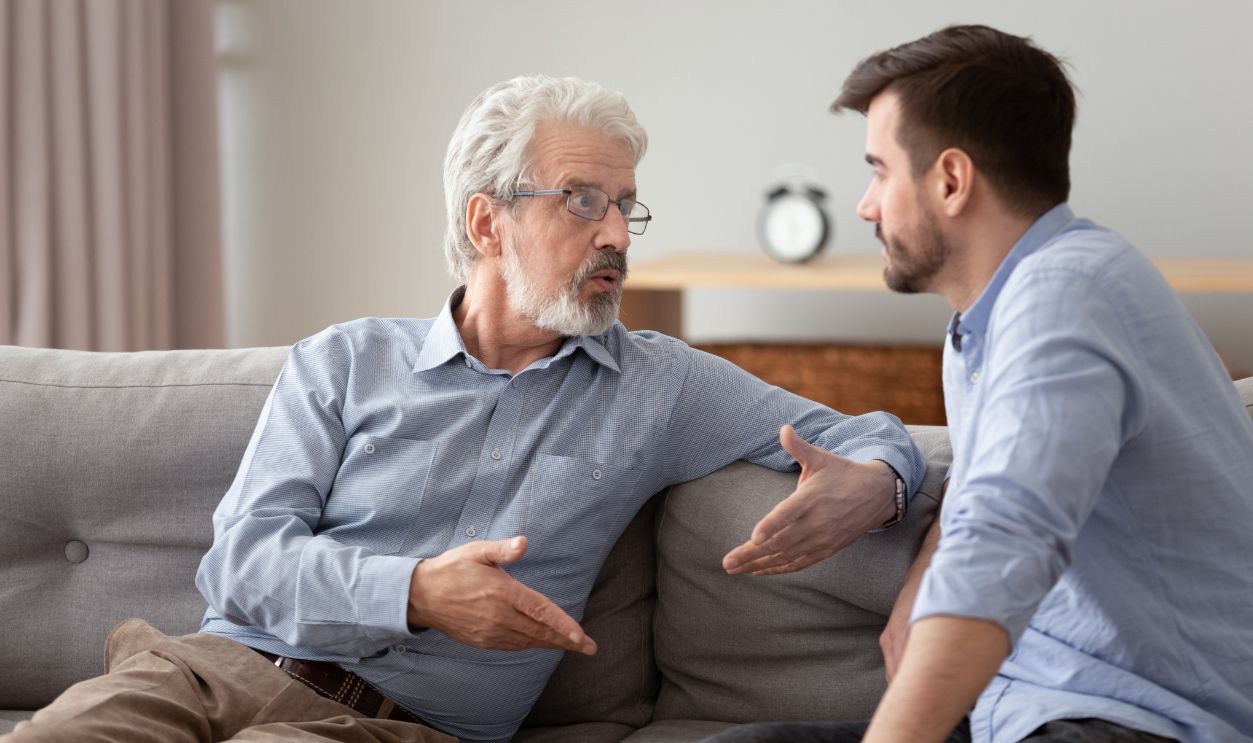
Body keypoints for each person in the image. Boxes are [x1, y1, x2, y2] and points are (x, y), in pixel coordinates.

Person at [2, 75, 925, 743]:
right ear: (488, 223)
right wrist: (415, 592)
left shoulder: (660, 384)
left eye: (625, 207)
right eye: (582, 201)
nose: (615, 233)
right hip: (209, 671)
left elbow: (864, 434)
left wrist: (878, 483)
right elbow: (241, 565)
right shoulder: (345, 361)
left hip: (400, 727)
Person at [704, 24, 1253, 743]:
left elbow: (1004, 541)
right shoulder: (990, 317)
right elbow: (994, 479)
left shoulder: (1065, 297)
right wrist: (918, 583)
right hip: (1031, 707)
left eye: (880, 171)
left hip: (1150, 720)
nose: (866, 206)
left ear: (951, 181)